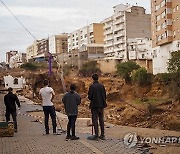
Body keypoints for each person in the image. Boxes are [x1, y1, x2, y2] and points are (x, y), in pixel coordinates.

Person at [88, 73, 107, 140]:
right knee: (101, 120)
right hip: (101, 105)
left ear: (92, 79)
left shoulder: (92, 86)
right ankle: (102, 135)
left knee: (95, 120)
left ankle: (96, 135)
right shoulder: (102, 86)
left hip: (94, 105)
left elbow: (90, 97)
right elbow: (105, 96)